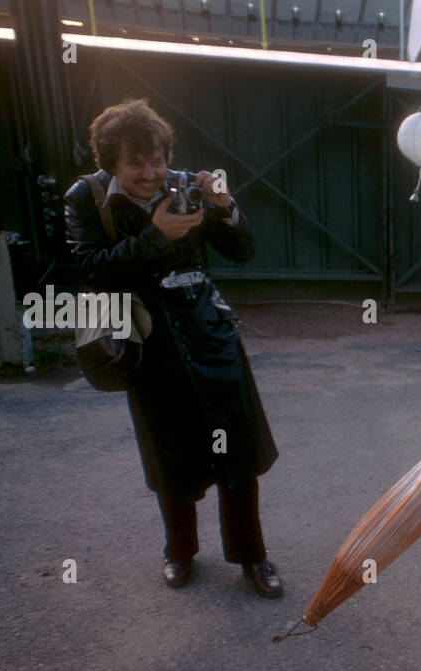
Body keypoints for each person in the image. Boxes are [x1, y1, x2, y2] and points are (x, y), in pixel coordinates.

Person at [64, 97, 283, 598]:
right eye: (136, 163)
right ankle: (179, 553)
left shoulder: (187, 186)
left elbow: (242, 251)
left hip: (209, 334)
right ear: (111, 162)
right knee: (171, 458)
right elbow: (91, 268)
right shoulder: (88, 197)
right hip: (147, 345)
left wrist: (225, 205)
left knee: (236, 453)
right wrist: (156, 236)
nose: (152, 173)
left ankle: (253, 557)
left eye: (158, 160)